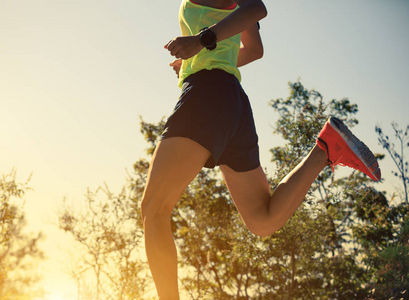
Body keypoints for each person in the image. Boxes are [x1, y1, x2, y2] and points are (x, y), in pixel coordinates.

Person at [140, 0, 381, 298]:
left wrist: (199, 41)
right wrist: (195, 57)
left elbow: (256, 7)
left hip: (207, 97)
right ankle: (326, 148)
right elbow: (254, 50)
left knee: (154, 210)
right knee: (262, 220)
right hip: (233, 103)